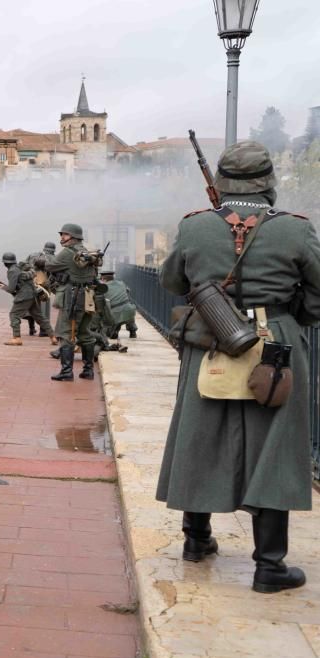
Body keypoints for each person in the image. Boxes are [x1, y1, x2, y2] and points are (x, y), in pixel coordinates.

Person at [157, 141, 320, 594]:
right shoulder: (296, 230)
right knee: (275, 449)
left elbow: (173, 281)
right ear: (269, 181)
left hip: (211, 339)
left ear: (223, 184)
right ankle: (270, 567)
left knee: (199, 433)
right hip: (278, 346)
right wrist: (291, 319)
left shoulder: (194, 227)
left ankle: (197, 540)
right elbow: (318, 293)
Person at [42, 223, 100, 381]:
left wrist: (45, 258)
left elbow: (50, 265)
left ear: (74, 237)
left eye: (65, 235)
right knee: (85, 333)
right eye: (62, 234)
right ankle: (88, 371)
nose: (62, 237)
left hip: (72, 297)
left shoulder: (68, 252)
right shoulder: (86, 251)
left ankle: (67, 372)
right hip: (88, 296)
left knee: (65, 333)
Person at [2, 252, 55, 346]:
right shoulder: (20, 268)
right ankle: (53, 336)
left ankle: (16, 338)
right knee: (40, 317)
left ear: (6, 263)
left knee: (14, 315)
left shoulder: (12, 271)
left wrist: (3, 287)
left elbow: (11, 289)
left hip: (24, 296)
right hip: (33, 295)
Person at [25, 241, 58, 335]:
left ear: (44, 248)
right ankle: (43, 330)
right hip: (44, 286)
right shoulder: (54, 258)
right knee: (44, 308)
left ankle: (31, 328)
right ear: (53, 250)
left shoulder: (33, 255)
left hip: (31, 284)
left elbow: (24, 265)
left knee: (31, 306)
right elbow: (55, 274)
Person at [99, 269, 138, 339]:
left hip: (115, 314)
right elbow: (128, 291)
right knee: (128, 311)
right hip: (129, 311)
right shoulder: (121, 283)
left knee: (109, 331)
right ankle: (133, 331)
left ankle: (114, 330)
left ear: (103, 279)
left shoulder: (103, 287)